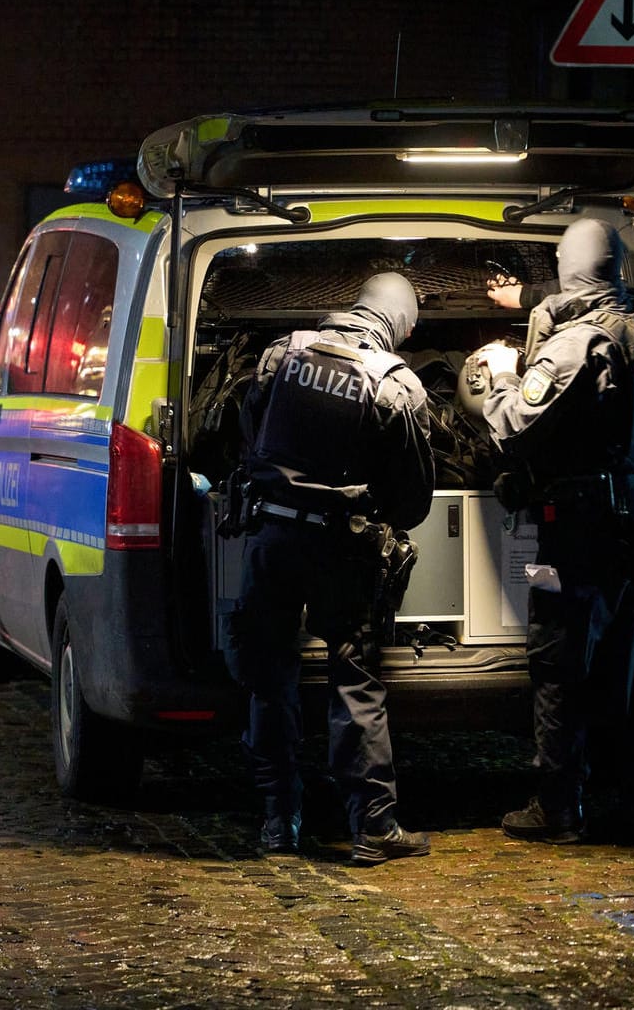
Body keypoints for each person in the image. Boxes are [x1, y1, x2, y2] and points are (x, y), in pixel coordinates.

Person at [474, 218, 634, 847]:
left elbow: (512, 424)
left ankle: (557, 806)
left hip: (577, 527)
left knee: (557, 655)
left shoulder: (576, 343)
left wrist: (501, 373)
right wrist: (531, 305)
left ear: (567, 266)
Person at [227, 270, 436, 866]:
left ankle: (278, 822)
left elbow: (249, 434)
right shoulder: (396, 386)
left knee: (269, 679)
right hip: (343, 551)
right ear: (401, 324)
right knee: (356, 684)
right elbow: (412, 502)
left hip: (271, 539)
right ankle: (372, 828)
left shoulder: (280, 355)